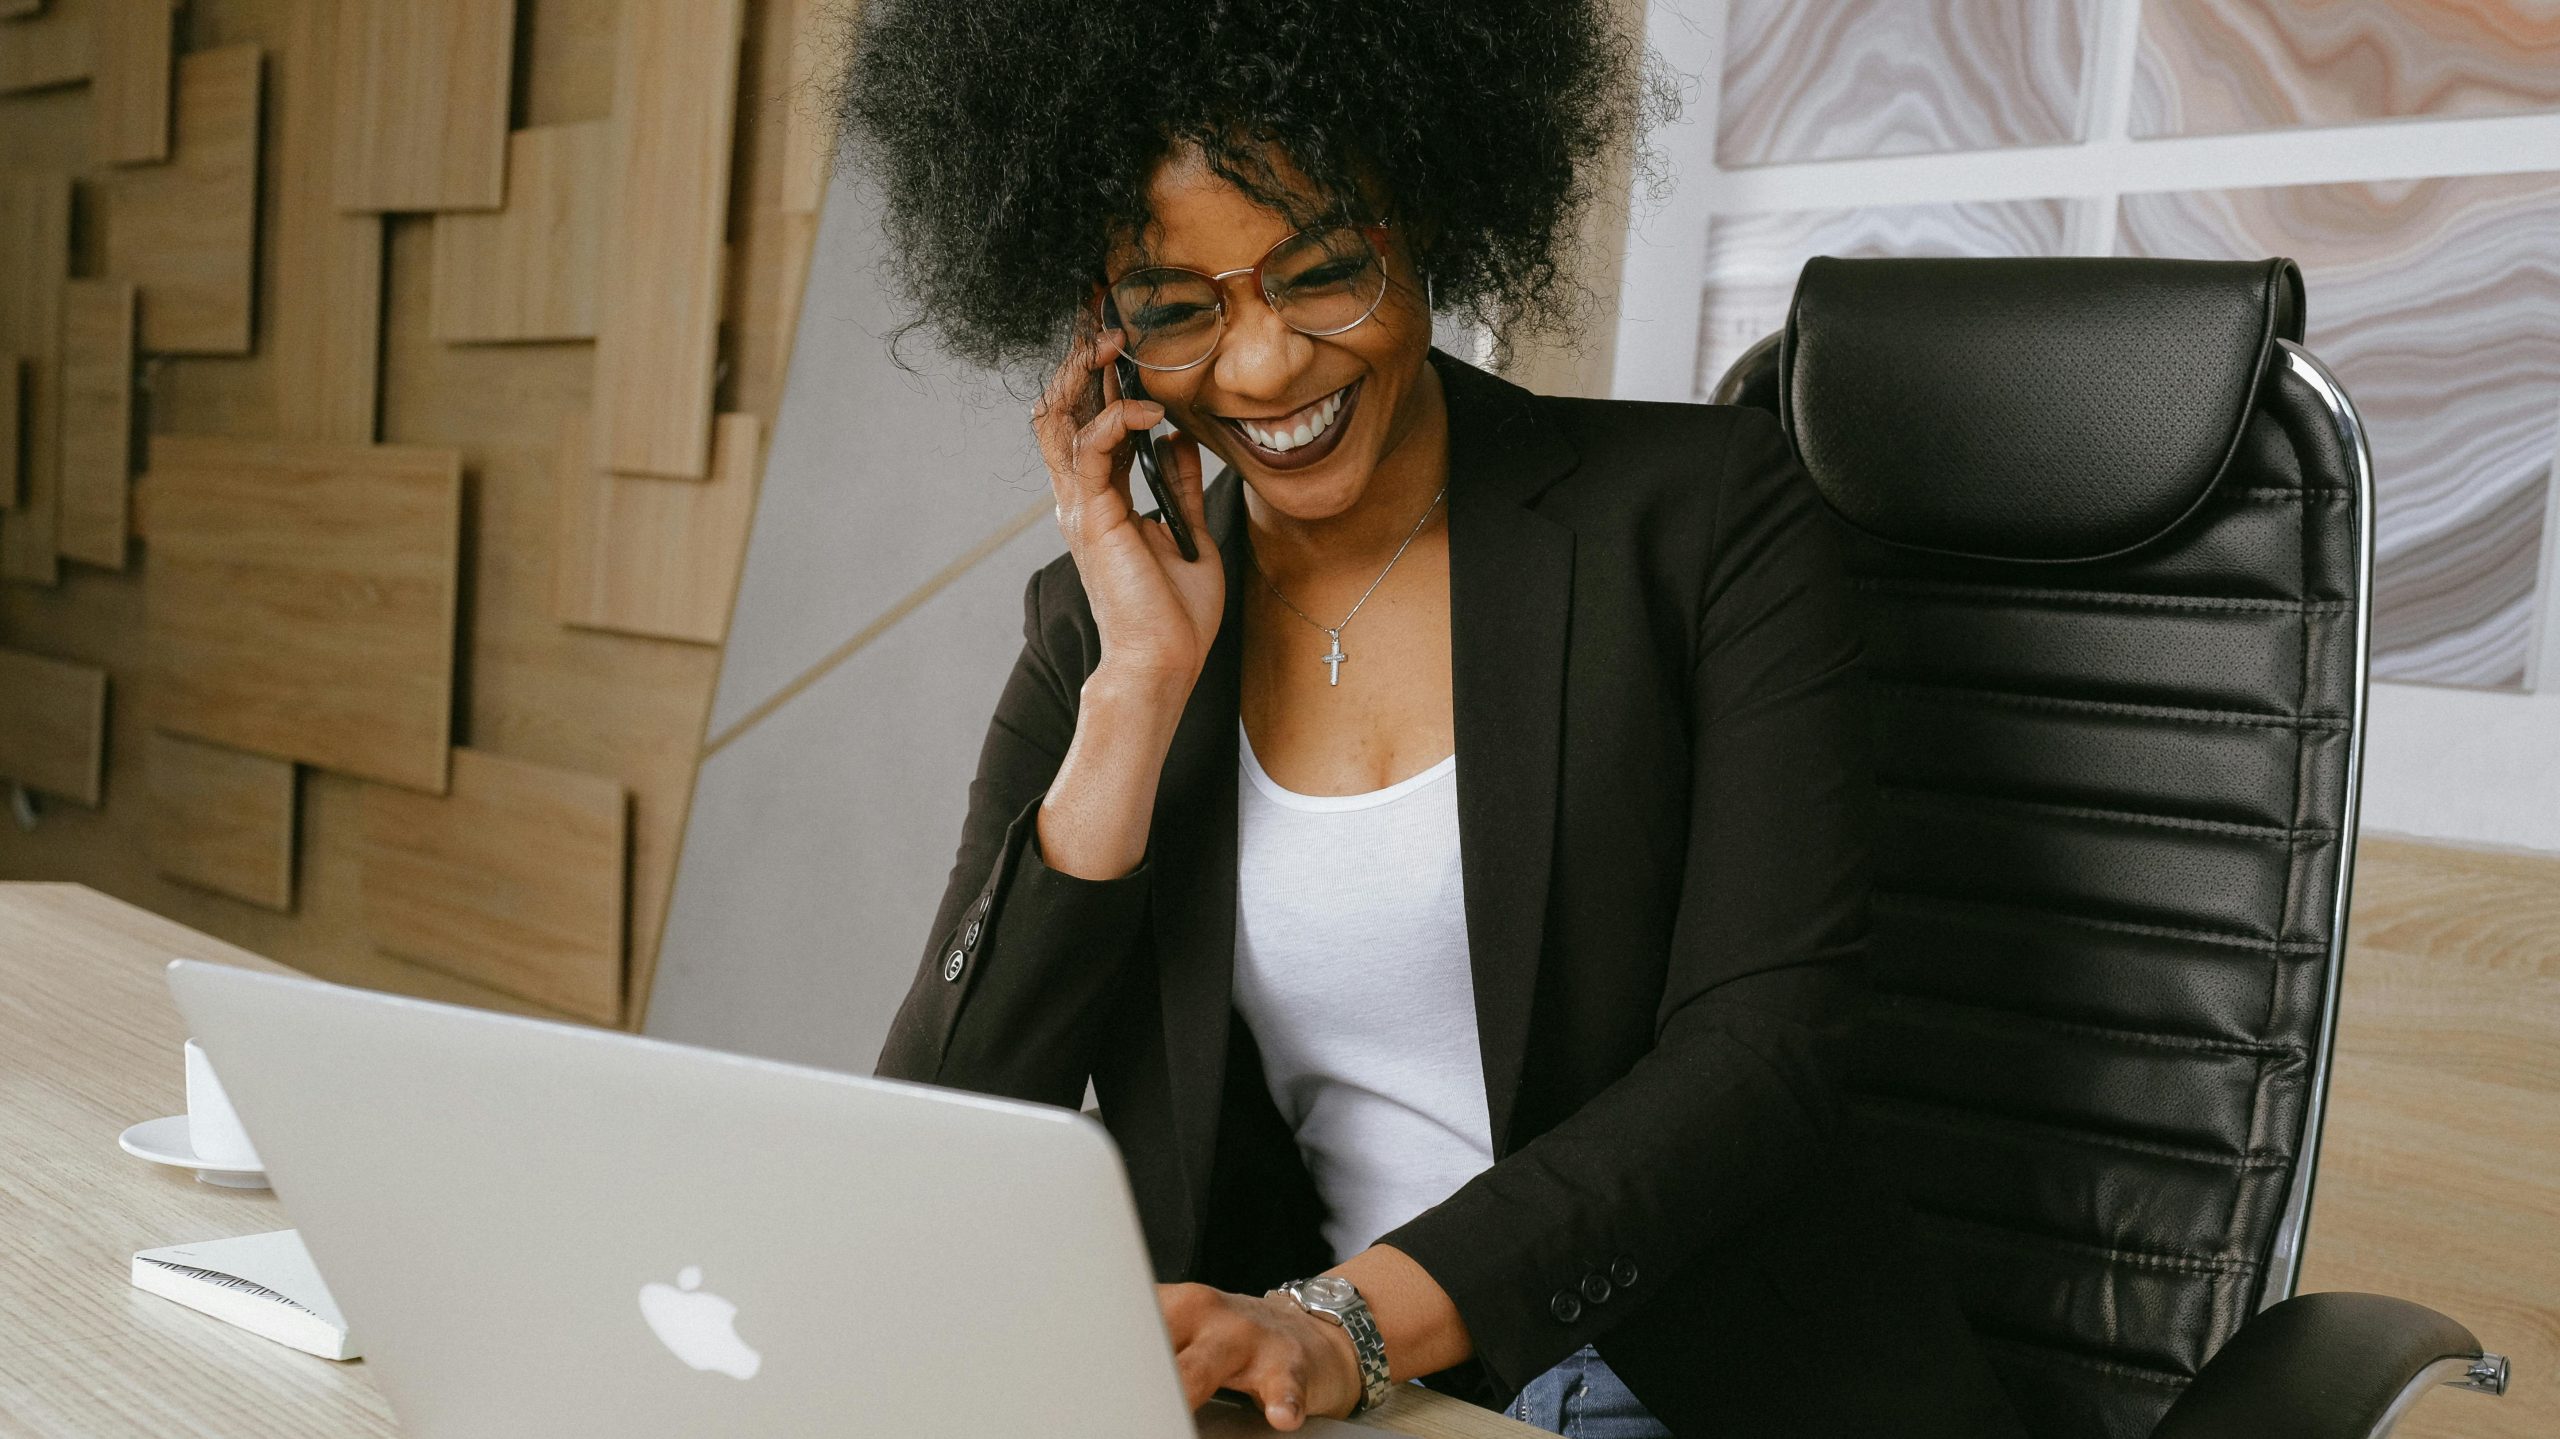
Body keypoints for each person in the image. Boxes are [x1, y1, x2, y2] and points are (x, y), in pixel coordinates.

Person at [841, 3, 2024, 1435]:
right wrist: (1138, 689)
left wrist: (1345, 1325)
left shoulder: (1705, 517)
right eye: (1175, 306)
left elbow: (1761, 1057)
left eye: (1324, 272)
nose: (1265, 366)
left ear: (1431, 217)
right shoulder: (1107, 623)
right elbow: (944, 1131)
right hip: (1297, 1403)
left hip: (1687, 1377)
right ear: (1104, 330)